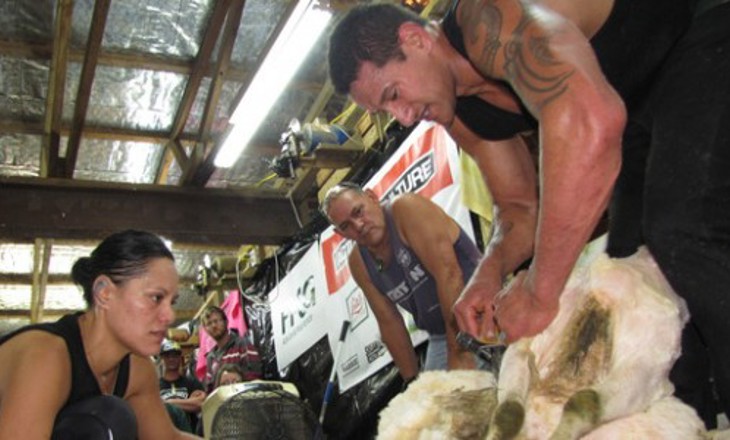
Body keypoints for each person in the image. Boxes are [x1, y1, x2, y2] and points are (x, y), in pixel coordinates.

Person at [327, 0, 730, 425]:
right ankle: (690, 423)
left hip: (697, 35)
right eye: (385, 111)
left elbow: (589, 122)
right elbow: (519, 208)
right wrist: (488, 273)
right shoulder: (458, 111)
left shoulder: (487, 21)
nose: (404, 117)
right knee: (631, 275)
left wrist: (540, 293)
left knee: (686, 232)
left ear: (416, 39)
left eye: (394, 94)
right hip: (633, 107)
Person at [0, 229, 201, 439]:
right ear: (104, 292)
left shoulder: (137, 368)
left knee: (110, 418)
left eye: (172, 302)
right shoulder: (45, 356)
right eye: (156, 298)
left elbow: (168, 438)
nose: (169, 315)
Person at [321, 183, 483, 383]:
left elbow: (449, 274)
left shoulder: (406, 210)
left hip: (480, 311)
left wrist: (459, 353)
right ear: (340, 234)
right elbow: (389, 321)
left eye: (358, 212)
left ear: (372, 197)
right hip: (441, 334)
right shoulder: (359, 263)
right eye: (346, 226)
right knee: (426, 408)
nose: (359, 225)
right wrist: (411, 382)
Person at [201, 305, 262, 393]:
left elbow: (255, 378)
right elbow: (209, 390)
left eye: (216, 321)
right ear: (206, 329)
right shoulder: (210, 357)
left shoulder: (242, 345)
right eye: (209, 323)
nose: (214, 326)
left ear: (226, 322)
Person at [158, 340, 206, 433]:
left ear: (180, 357)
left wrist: (166, 403)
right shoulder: (155, 386)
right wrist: (188, 403)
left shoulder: (191, 382)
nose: (171, 359)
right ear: (162, 358)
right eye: (167, 356)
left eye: (175, 355)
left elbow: (200, 403)